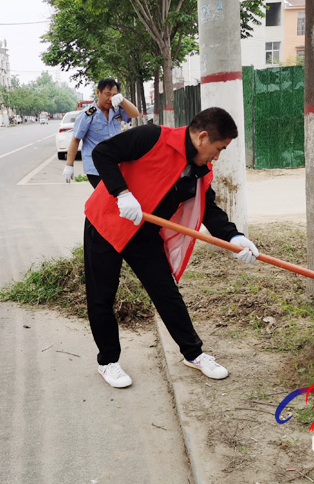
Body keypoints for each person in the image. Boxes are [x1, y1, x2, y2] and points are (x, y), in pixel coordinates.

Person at [84, 107, 260, 388]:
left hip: (143, 234)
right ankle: (108, 362)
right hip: (107, 224)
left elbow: (208, 208)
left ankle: (194, 353)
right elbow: (103, 152)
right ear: (202, 137)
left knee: (166, 294)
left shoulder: (201, 171)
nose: (217, 156)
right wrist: (122, 192)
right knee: (102, 296)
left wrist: (234, 237)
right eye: (219, 148)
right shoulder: (152, 137)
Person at [63, 78, 139, 188]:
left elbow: (134, 114)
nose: (110, 98)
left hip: (115, 164)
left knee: (115, 199)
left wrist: (122, 100)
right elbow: (75, 139)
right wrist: (69, 165)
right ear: (98, 93)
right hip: (95, 168)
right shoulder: (87, 115)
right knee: (109, 198)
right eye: (107, 94)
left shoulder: (116, 110)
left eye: (114, 95)